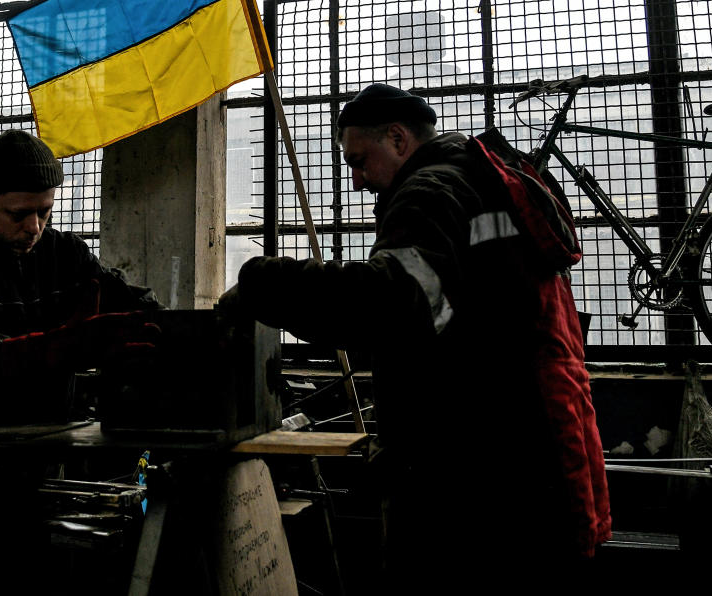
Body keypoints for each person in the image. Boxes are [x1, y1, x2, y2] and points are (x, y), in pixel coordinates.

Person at [221, 83, 610, 581]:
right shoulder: (486, 182)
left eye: (359, 161)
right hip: (530, 445)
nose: (358, 180)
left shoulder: (431, 193)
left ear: (399, 139)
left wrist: (264, 283)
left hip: (473, 475)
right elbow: (447, 312)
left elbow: (391, 301)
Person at [0, 129, 163, 437]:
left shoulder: (68, 256)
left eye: (44, 211)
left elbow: (140, 307)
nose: (34, 227)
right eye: (18, 214)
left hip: (39, 452)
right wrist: (62, 347)